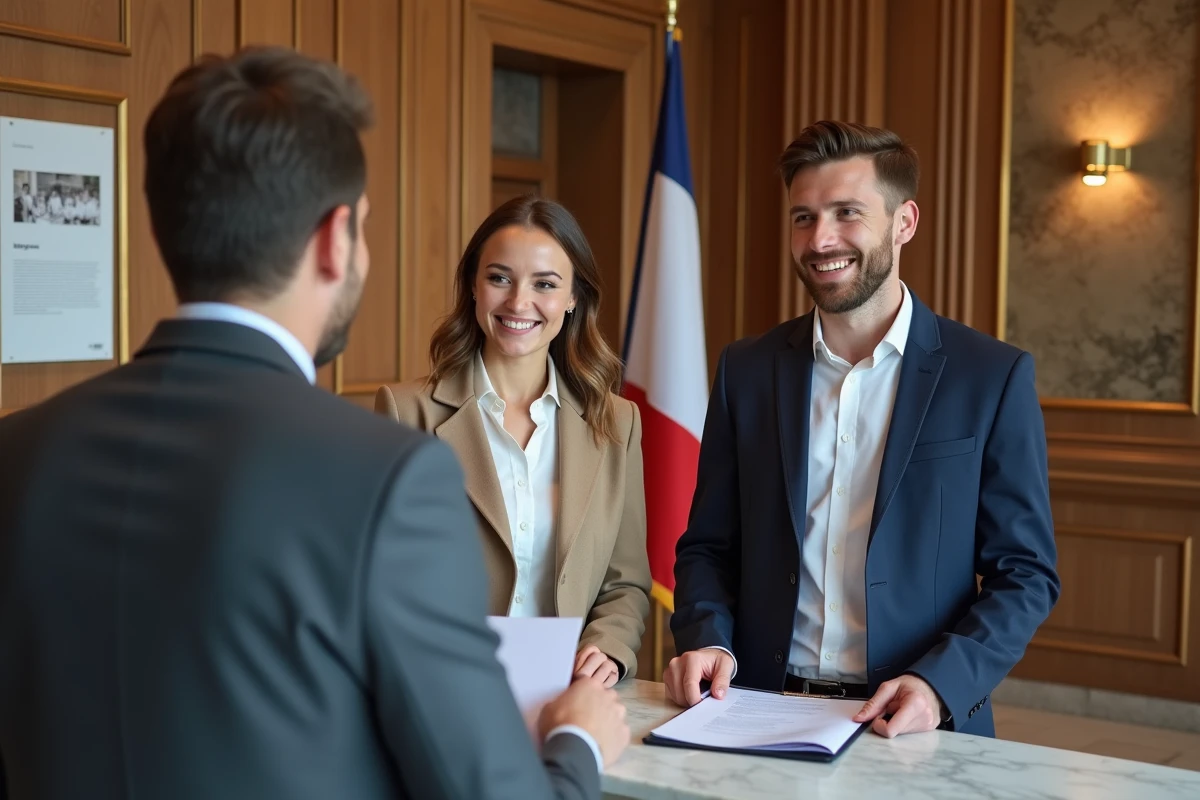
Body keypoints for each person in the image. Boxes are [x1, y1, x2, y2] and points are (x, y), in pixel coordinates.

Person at [0, 46, 628, 800]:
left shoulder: (17, 453)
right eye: (363, 229)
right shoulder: (388, 475)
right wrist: (577, 741)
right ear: (336, 239)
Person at [665, 120, 1060, 739]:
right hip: (757, 709)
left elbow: (1026, 572)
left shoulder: (992, 376)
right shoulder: (745, 370)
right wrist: (706, 636)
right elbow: (709, 546)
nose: (821, 239)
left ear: (904, 222)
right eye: (803, 217)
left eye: (847, 213)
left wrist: (940, 684)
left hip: (914, 724)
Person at [375, 195, 652, 686]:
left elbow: (624, 582)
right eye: (499, 278)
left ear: (573, 299)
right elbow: (384, 580)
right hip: (446, 692)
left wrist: (607, 646)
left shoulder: (617, 423)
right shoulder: (405, 413)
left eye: (544, 284)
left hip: (569, 695)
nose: (519, 302)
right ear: (473, 288)